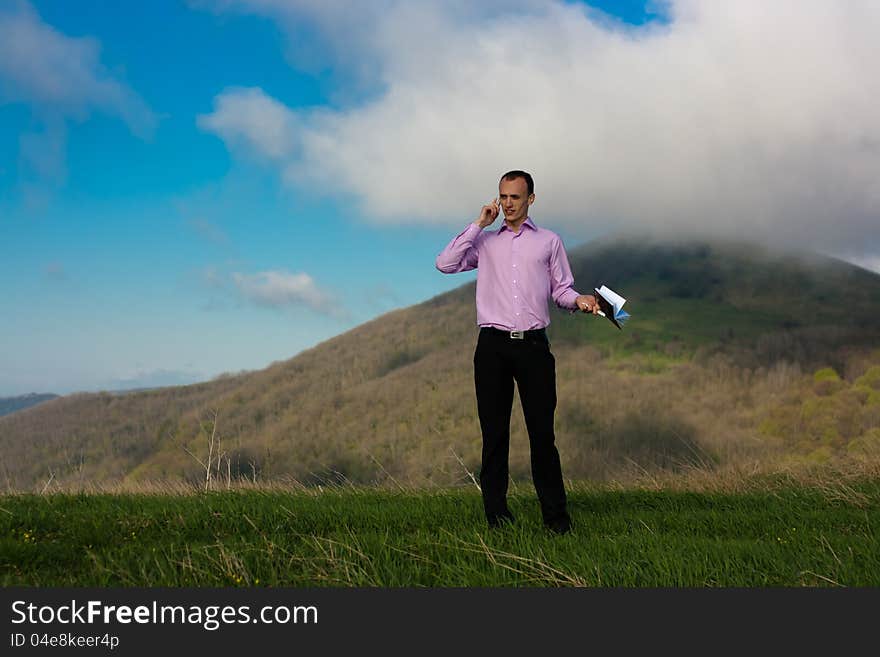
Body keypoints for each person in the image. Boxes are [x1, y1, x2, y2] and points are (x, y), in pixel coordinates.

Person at [435, 170, 599, 534]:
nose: (508, 204)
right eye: (503, 197)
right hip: (491, 348)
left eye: (515, 197)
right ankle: (497, 519)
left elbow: (562, 291)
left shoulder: (549, 242)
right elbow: (445, 263)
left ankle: (557, 522)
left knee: (543, 436)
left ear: (530, 200)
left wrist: (580, 301)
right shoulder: (484, 243)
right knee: (494, 437)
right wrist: (479, 224)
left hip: (534, 347)